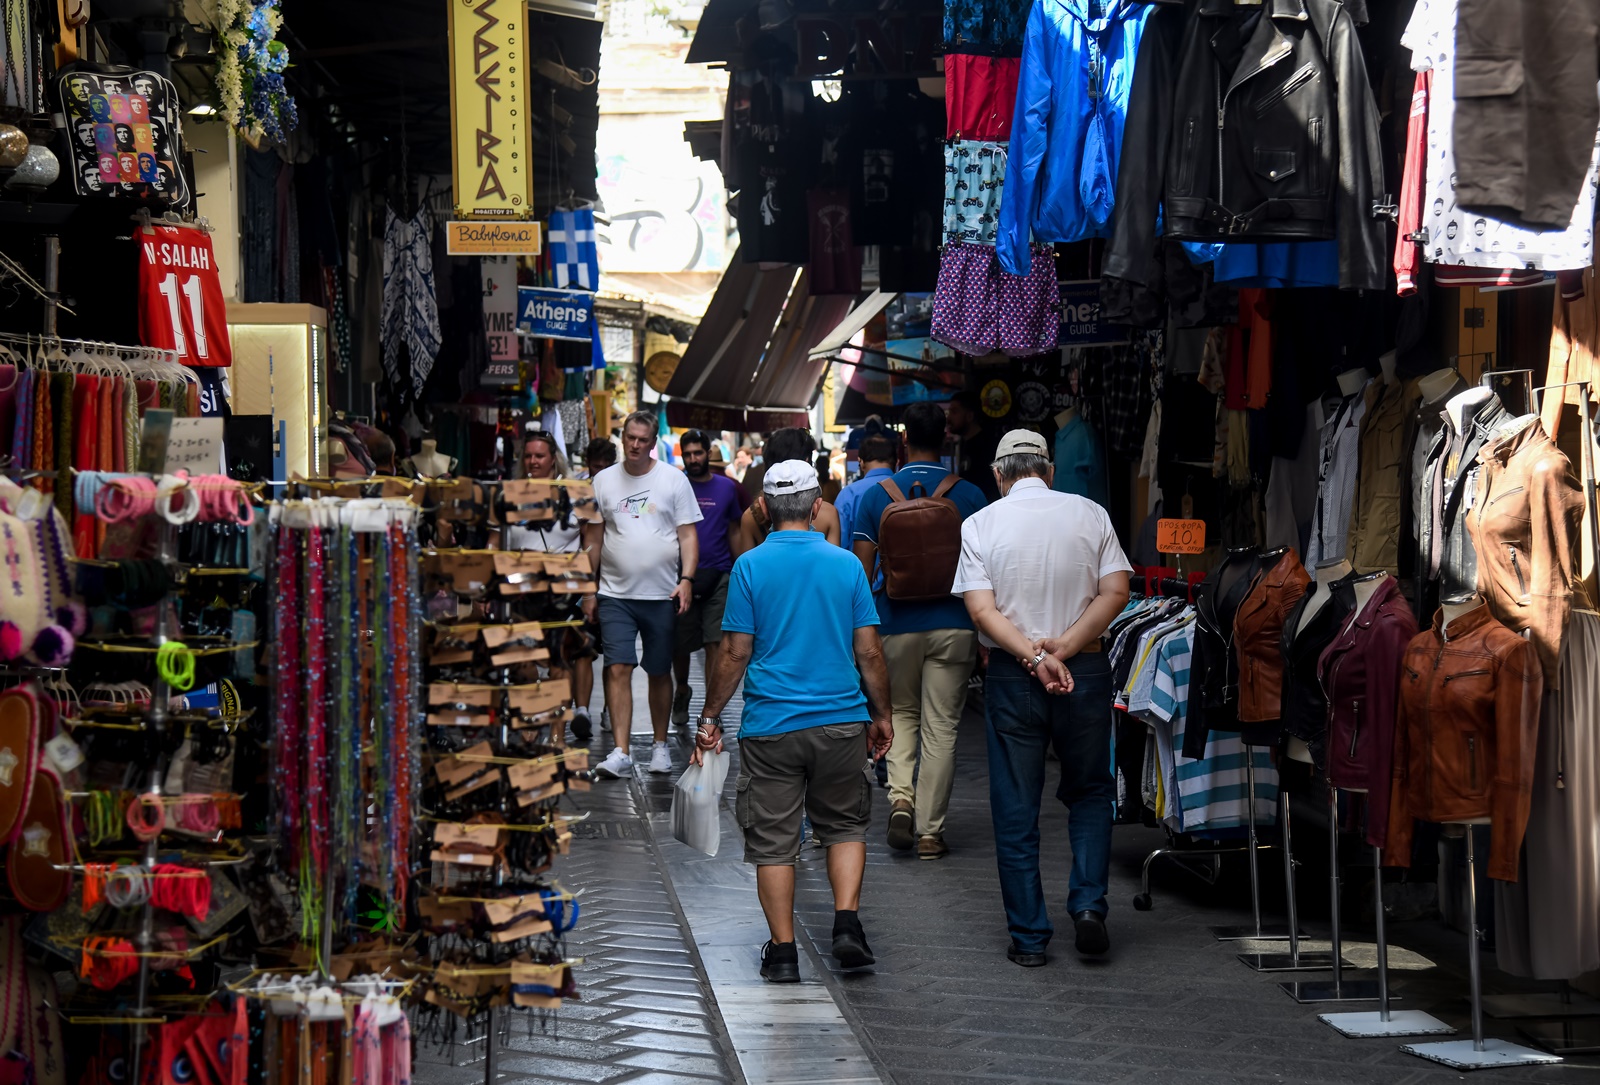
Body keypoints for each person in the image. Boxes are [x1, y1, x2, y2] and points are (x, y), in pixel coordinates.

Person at [692, 460, 893, 983]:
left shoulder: (750, 567)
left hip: (771, 726)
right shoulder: (846, 565)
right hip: (841, 721)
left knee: (775, 842)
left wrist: (709, 718)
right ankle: (846, 926)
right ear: (815, 505)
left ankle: (783, 953)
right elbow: (869, 652)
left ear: (764, 507)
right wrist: (883, 715)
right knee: (846, 825)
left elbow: (734, 653)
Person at [953, 429, 1132, 967]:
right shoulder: (1091, 513)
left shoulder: (981, 523)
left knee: (1015, 807)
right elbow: (1117, 590)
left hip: (1014, 675)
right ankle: (1088, 908)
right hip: (1087, 669)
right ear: (1049, 472)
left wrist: (1034, 658)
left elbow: (982, 612)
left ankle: (1030, 939)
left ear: (998, 474)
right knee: (1091, 792)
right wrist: (1068, 647)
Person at [850, 401, 986, 860]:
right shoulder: (968, 495)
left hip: (895, 625)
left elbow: (862, 574)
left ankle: (901, 799)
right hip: (955, 624)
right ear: (947, 438)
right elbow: (984, 572)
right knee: (943, 728)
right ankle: (930, 833)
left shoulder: (875, 496)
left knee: (901, 716)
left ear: (903, 440)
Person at [582, 411, 703, 779]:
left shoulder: (673, 480)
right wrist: (589, 587)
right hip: (614, 593)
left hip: (661, 594)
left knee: (658, 670)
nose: (634, 445)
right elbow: (594, 539)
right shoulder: (602, 481)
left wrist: (687, 579)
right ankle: (620, 751)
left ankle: (660, 745)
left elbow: (687, 536)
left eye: (642, 440)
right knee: (617, 667)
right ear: (622, 437)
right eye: (629, 438)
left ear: (653, 444)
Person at [505, 431, 598, 742]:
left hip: (562, 591)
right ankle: (533, 718)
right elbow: (497, 545)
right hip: (521, 591)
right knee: (524, 661)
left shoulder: (578, 493)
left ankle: (557, 734)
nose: (533, 461)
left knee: (559, 659)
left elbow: (590, 545)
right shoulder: (510, 493)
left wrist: (588, 593)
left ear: (553, 459)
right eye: (528, 456)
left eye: (539, 456)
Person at [672, 430, 749, 725]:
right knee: (678, 644)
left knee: (714, 644)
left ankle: (710, 710)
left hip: (719, 575)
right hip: (681, 578)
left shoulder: (727, 489)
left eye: (698, 453)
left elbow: (733, 530)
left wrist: (739, 569)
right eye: (687, 454)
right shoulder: (676, 485)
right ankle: (681, 688)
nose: (693, 459)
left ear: (708, 453)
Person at [734, 429, 842, 555]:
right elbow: (833, 567)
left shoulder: (750, 517)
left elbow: (746, 569)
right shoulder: (827, 514)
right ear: (806, 463)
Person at [833, 432, 897, 546]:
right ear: (896, 463)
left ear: (861, 462)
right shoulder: (908, 488)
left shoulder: (848, 494)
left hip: (859, 563)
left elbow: (839, 545)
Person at [947, 391, 1001, 503]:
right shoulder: (963, 443)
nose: (949, 418)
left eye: (954, 412)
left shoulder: (987, 446)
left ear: (970, 416)